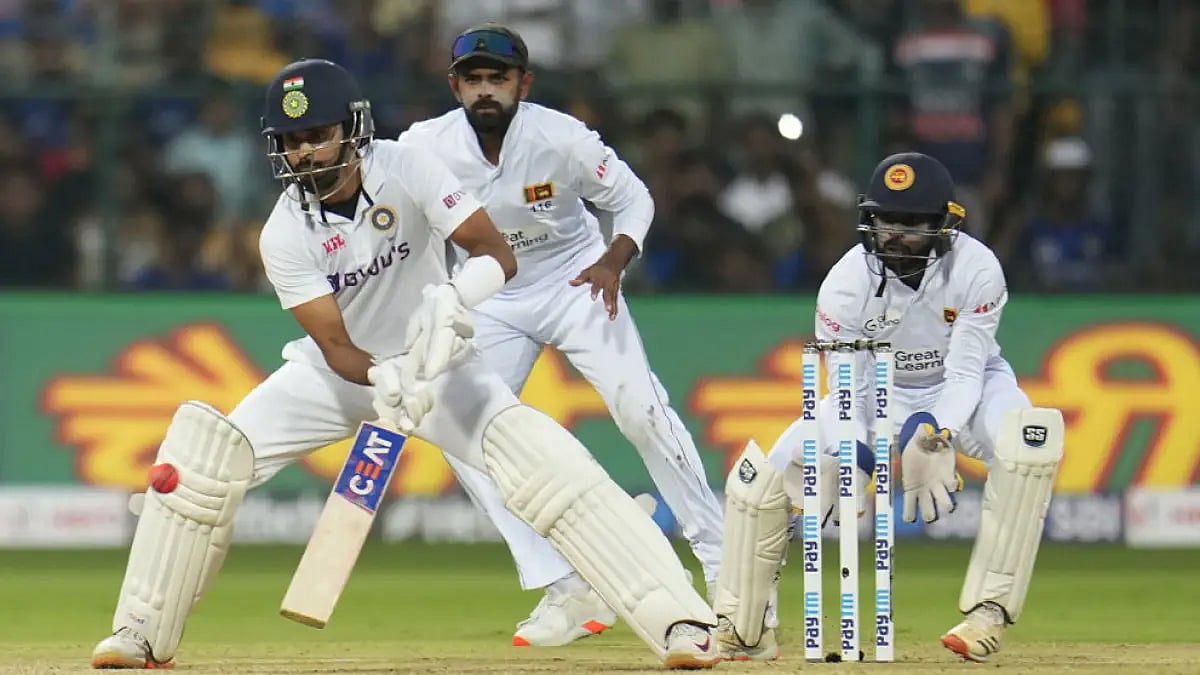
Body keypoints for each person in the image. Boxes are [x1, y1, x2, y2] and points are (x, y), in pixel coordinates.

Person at [89, 58, 721, 670]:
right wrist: (381, 375)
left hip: (441, 363)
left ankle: (680, 621)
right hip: (338, 378)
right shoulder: (282, 233)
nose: (305, 153)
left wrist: (453, 300)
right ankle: (139, 631)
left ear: (352, 129)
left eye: (317, 135)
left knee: (547, 463)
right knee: (203, 463)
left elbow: (495, 254)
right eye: (291, 141)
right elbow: (334, 345)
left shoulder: (409, 166)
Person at [398, 24, 725, 648]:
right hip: (490, 293)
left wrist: (614, 260)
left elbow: (634, 200)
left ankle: (721, 568)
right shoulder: (423, 146)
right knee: (463, 437)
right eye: (474, 79)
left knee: (641, 412)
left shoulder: (562, 137)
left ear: (523, 84)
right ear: (455, 86)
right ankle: (568, 584)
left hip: (576, 281)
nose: (486, 90)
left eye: (499, 79)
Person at [711, 152, 1064, 662]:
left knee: (1029, 447)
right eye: (885, 220)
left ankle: (989, 613)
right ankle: (745, 627)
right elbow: (847, 390)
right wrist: (854, 454)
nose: (894, 235)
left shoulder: (977, 268)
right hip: (875, 392)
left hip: (968, 387)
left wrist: (933, 432)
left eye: (912, 224)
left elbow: (965, 373)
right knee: (762, 482)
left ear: (944, 225)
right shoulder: (844, 284)